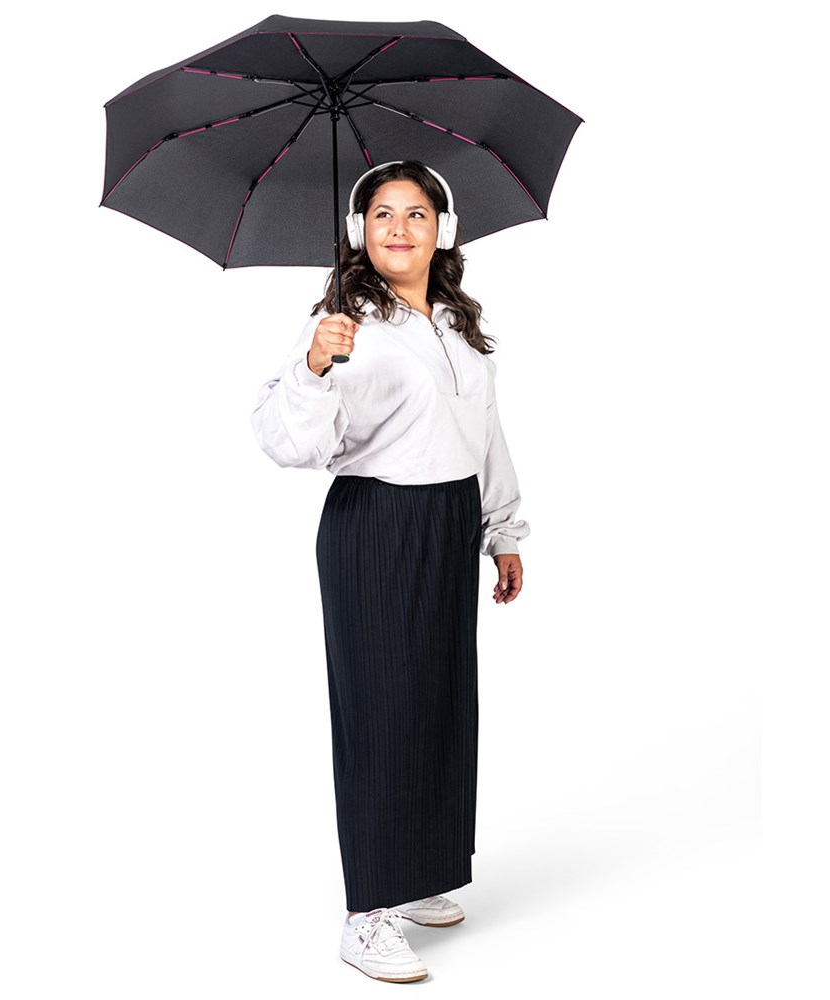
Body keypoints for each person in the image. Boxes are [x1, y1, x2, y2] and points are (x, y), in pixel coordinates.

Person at [249, 159, 529, 983]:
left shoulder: (455, 323)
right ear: (358, 231)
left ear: (443, 229)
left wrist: (503, 530)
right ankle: (367, 914)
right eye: (381, 214)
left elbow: (486, 432)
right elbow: (287, 442)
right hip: (378, 523)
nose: (399, 227)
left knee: (439, 701)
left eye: (415, 213)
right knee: (382, 709)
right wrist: (314, 366)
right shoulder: (346, 324)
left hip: (450, 520)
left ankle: (414, 875)